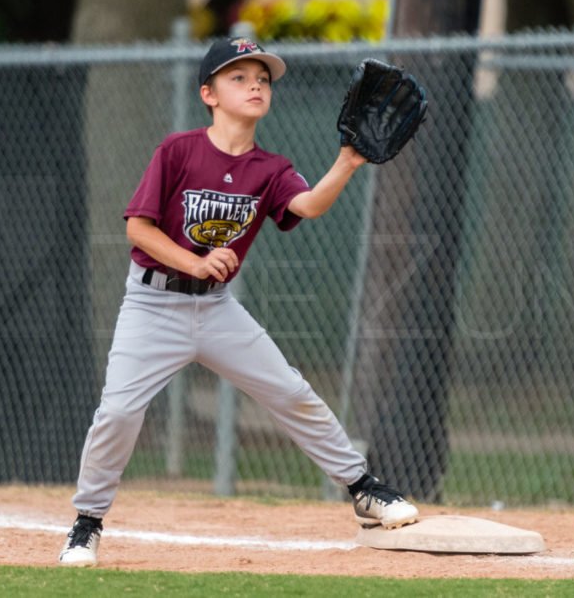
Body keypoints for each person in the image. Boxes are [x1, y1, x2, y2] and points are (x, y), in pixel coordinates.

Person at [59, 37, 419, 567]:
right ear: (208, 93)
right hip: (153, 306)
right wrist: (195, 261)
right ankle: (86, 524)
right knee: (117, 411)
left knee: (290, 392)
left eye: (262, 79)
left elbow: (307, 205)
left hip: (216, 309)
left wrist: (347, 162)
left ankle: (365, 488)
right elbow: (139, 228)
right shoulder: (178, 151)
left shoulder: (270, 168)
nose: (255, 85)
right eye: (239, 77)